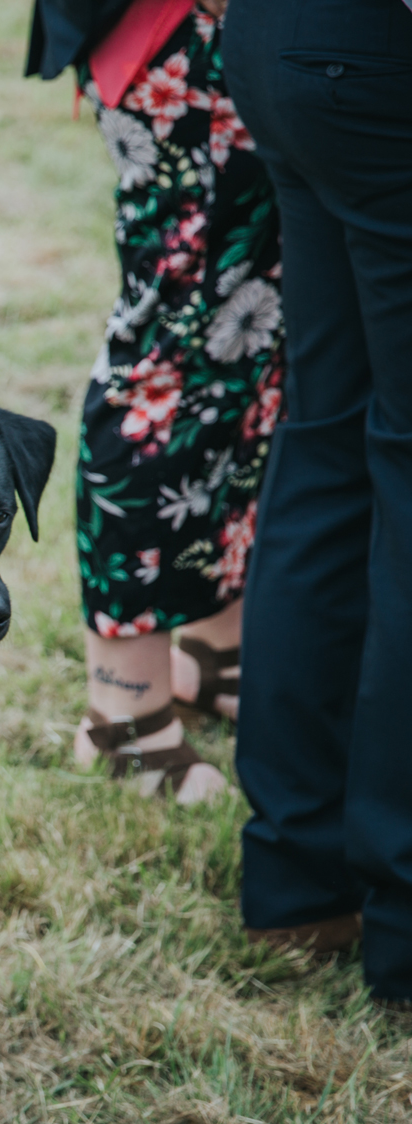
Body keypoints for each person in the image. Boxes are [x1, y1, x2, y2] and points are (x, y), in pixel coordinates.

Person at [26, 0, 284, 803]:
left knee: (245, 341)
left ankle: (214, 648)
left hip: (231, 34)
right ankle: (122, 713)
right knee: (166, 355)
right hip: (173, 30)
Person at [222, 0, 412, 992]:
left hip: (279, 36)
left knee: (327, 440)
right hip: (375, 54)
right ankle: (400, 919)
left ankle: (299, 880)